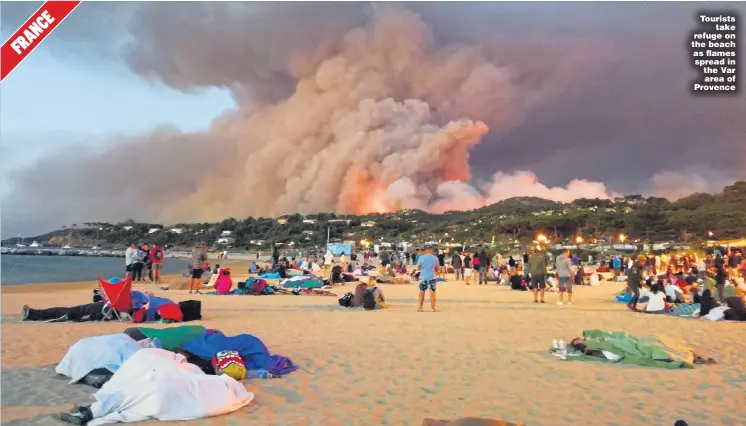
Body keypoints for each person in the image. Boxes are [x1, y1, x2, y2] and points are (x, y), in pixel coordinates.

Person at [22, 302, 107, 322]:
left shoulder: (111, 307)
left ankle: (31, 314)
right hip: (79, 310)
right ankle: (32, 313)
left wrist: (87, 318)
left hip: (79, 312)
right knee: (55, 311)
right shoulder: (110, 304)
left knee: (56, 311)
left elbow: (101, 316)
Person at [417, 244, 439, 312]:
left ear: (425, 250)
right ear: (431, 250)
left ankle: (420, 308)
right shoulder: (435, 258)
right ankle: (432, 308)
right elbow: (437, 269)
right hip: (432, 277)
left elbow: (418, 268)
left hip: (423, 277)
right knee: (432, 292)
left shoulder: (421, 257)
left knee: (421, 292)